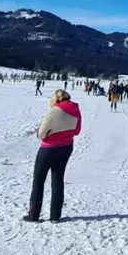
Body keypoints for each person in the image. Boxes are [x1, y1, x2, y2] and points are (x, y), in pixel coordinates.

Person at [24, 89, 82, 223]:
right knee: (58, 179)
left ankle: (33, 215)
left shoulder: (54, 111)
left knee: (38, 181)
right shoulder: (76, 110)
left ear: (56, 99)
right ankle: (55, 216)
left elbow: (40, 134)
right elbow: (77, 131)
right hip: (66, 146)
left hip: (48, 149)